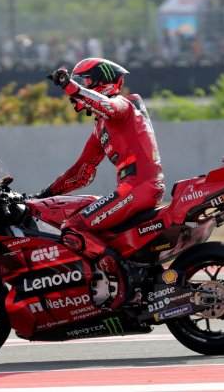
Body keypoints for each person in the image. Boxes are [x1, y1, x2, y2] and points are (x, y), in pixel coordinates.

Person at [35, 58, 165, 309]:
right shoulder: (101, 128)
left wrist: (70, 86)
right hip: (137, 189)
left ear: (100, 82)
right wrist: (44, 195)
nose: (77, 91)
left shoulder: (122, 106)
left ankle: (121, 288)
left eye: (84, 81)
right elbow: (81, 172)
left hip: (137, 187)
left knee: (73, 226)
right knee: (92, 222)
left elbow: (107, 105)